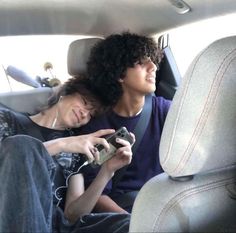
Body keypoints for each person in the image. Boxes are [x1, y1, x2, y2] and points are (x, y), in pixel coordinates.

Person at [0, 75, 135, 233]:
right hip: (11, 213)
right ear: (64, 93)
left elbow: (72, 216)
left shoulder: (78, 149)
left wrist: (107, 172)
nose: (85, 114)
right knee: (21, 146)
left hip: (55, 223)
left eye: (91, 114)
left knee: (128, 223)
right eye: (84, 102)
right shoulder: (8, 120)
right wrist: (61, 144)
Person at [76, 32, 172, 213]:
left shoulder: (165, 110)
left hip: (165, 201)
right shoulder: (96, 129)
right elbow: (99, 196)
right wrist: (133, 223)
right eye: (142, 63)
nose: (153, 67)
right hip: (125, 208)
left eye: (153, 61)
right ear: (120, 74)